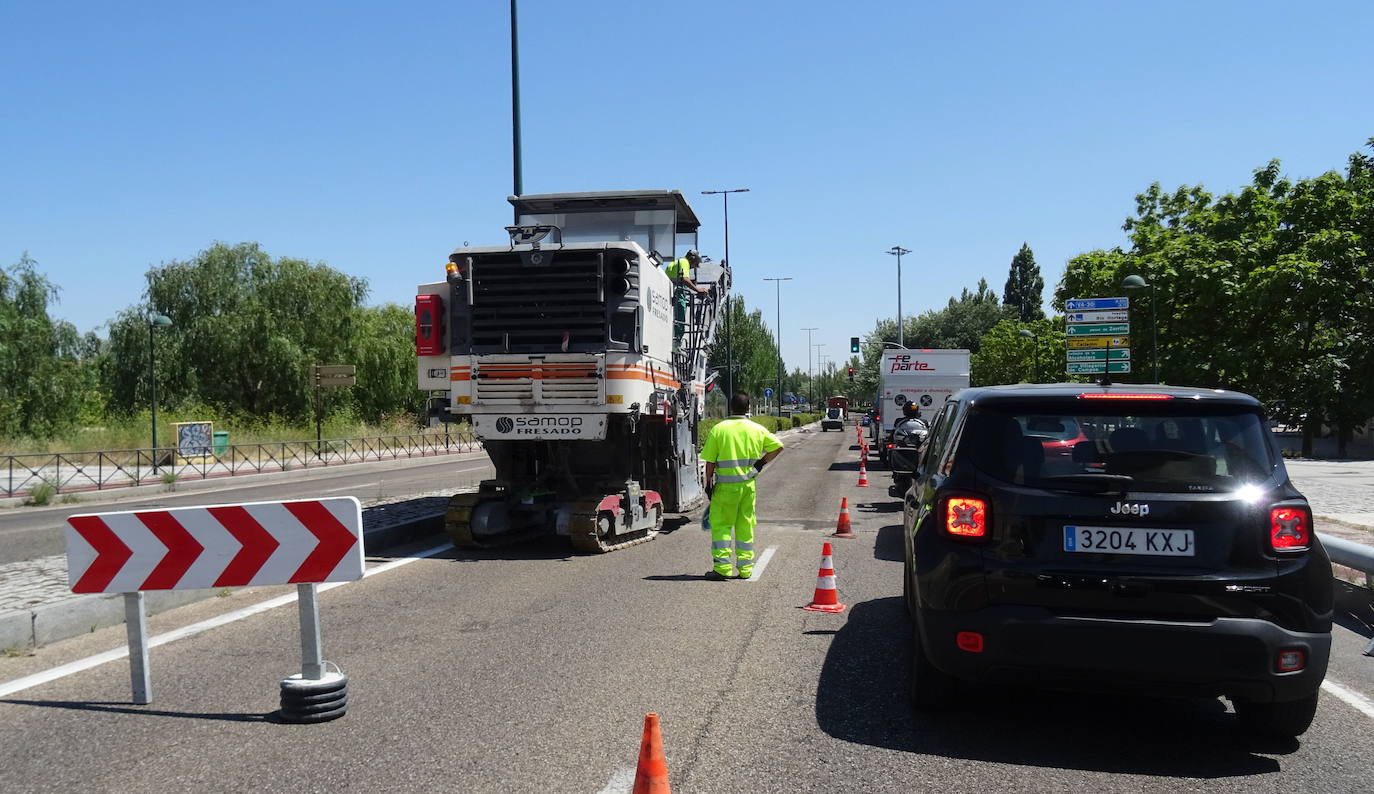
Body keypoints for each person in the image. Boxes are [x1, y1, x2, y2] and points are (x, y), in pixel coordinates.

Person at [700, 392, 784, 580]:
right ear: (748, 408)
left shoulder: (719, 429)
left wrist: (708, 483)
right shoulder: (757, 429)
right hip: (747, 487)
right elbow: (778, 446)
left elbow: (710, 462)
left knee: (721, 526)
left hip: (725, 489)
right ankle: (746, 569)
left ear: (731, 407)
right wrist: (759, 465)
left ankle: (722, 568)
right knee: (745, 526)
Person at [665, 249, 708, 352]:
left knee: (675, 319)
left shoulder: (674, 263)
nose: (695, 267)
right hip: (678, 293)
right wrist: (697, 289)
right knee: (680, 318)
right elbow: (684, 279)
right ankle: (677, 344)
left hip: (671, 291)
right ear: (692, 259)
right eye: (696, 264)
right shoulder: (684, 262)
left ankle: (674, 342)